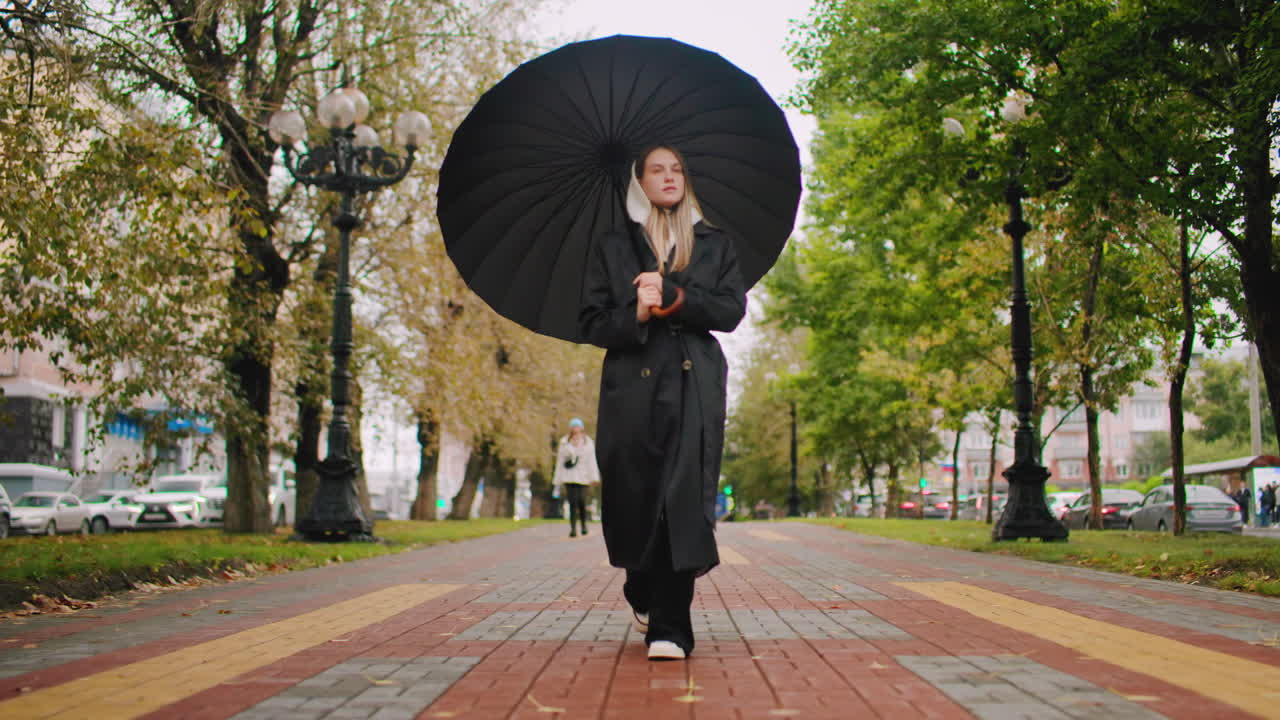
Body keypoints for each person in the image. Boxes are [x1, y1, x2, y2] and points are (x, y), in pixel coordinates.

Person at [579, 145, 746, 661]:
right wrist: (639, 312)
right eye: (657, 170)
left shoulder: (714, 243)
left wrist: (674, 297)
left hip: (694, 383)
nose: (669, 177)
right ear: (639, 182)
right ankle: (641, 586)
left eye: (677, 169)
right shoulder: (612, 246)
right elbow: (591, 321)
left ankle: (671, 627)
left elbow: (730, 309)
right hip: (632, 387)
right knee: (634, 494)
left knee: (682, 497)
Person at [552, 417, 600, 537]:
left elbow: (592, 461)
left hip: (583, 477)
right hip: (569, 476)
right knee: (572, 502)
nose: (576, 429)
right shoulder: (564, 442)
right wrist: (557, 478)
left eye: (577, 426)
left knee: (582, 501)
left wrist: (594, 477)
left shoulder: (588, 442)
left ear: (581, 428)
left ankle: (583, 525)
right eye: (574, 426)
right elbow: (560, 461)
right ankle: (573, 529)